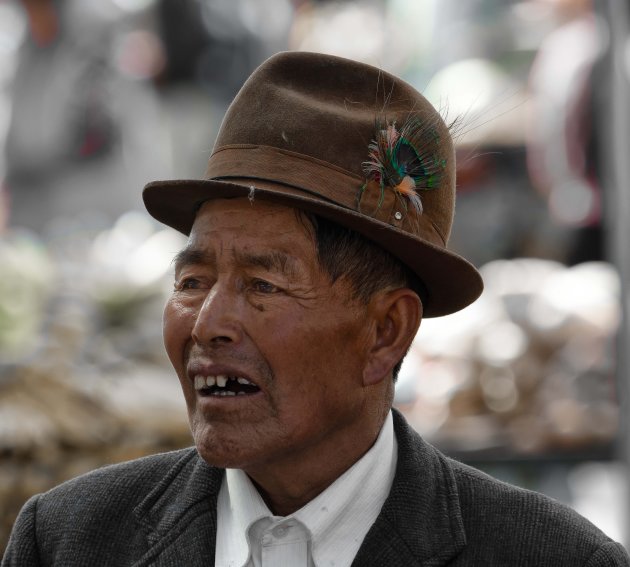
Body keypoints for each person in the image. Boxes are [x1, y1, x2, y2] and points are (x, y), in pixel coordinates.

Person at [3, 51, 628, 567]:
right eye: (193, 280)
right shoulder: (67, 542)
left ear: (386, 331)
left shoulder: (550, 558)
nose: (207, 324)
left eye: (264, 287)